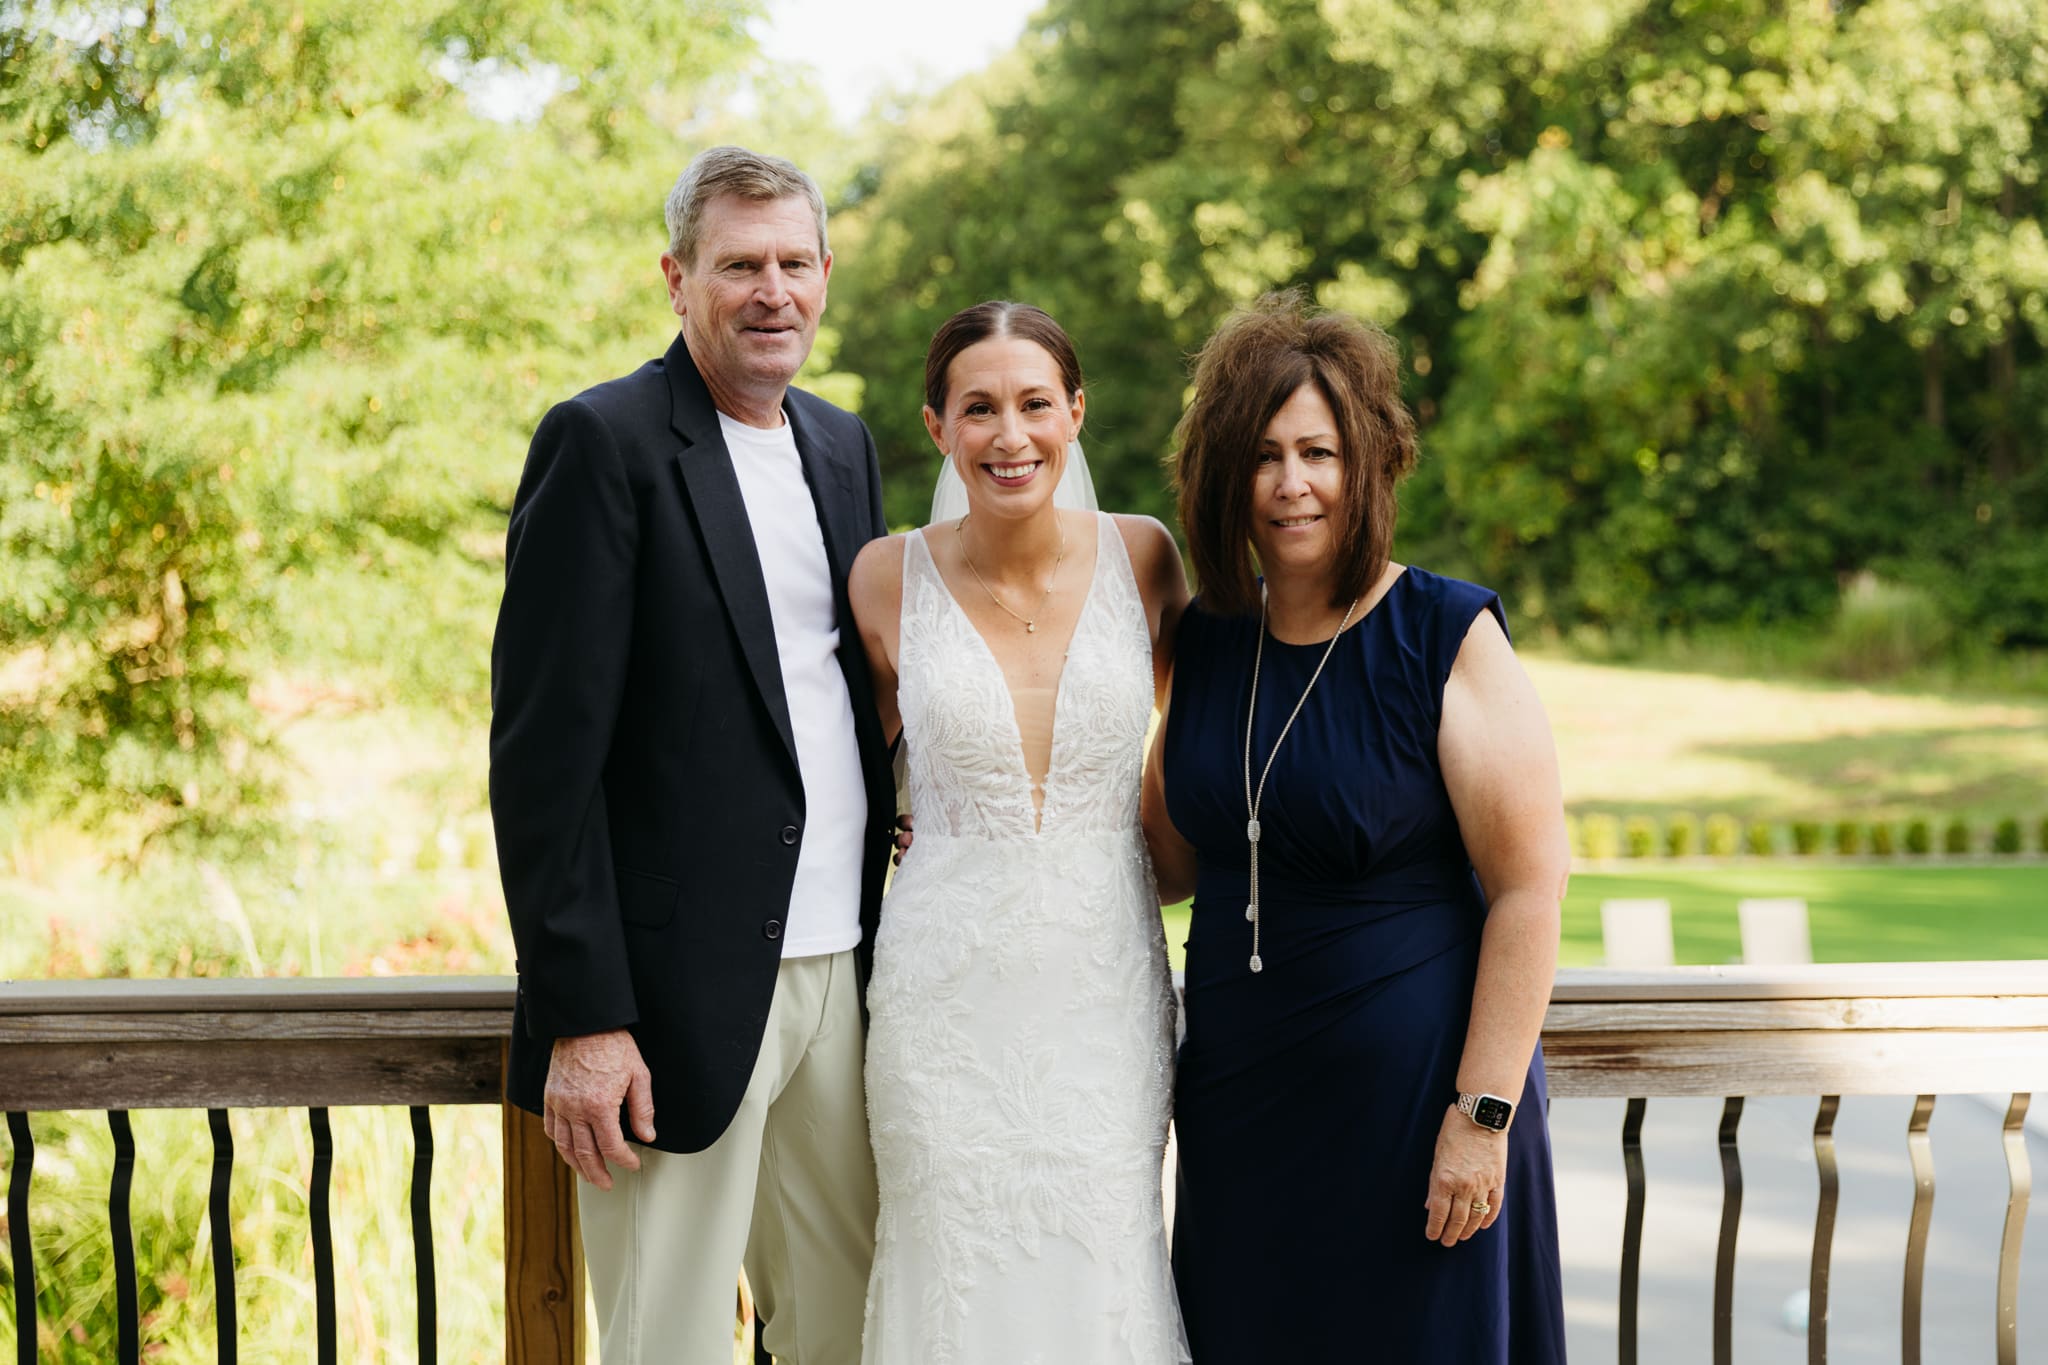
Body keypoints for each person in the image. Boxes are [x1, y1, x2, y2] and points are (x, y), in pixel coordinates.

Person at [489, 145, 895, 1365]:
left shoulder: (843, 447)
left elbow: (840, 700)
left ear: (824, 274)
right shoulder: (601, 443)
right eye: (736, 266)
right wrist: (585, 1016)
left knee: (848, 1326)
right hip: (667, 1003)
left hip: (850, 973)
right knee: (666, 1340)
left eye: (790, 264)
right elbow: (540, 756)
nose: (770, 292)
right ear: (677, 279)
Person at [1142, 292, 1569, 1360]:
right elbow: (1161, 862)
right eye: (1263, 455)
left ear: (1367, 465)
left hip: (1418, 1118)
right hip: (1243, 1116)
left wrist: (1480, 1119)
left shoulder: (1442, 633)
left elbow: (1529, 889)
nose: (1291, 485)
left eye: (1319, 453)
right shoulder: (1204, 642)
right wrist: (967, 825)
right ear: (1222, 476)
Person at [846, 301, 1191, 1364]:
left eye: (1035, 403)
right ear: (935, 427)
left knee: (1105, 1268)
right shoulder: (880, 576)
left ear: (1075, 413)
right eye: (978, 408)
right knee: (950, 1272)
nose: (1010, 435)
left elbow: (1203, 761)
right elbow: (839, 784)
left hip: (1102, 995)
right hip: (941, 1006)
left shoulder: (1146, 560)